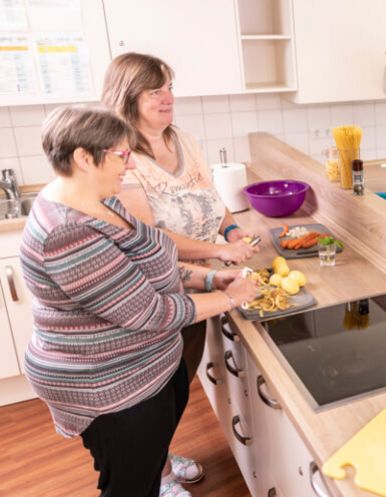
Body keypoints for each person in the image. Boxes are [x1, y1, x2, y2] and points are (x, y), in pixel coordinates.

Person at [21, 106, 257, 497]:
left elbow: (150, 265)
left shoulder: (99, 199)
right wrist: (228, 298)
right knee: (129, 487)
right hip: (109, 385)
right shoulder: (65, 233)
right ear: (83, 157)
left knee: (145, 473)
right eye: (121, 155)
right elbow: (149, 311)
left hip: (144, 370)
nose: (129, 166)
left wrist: (211, 276)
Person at [102, 52, 258, 487]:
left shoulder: (184, 140)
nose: (168, 98)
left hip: (201, 286)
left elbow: (211, 199)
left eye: (170, 87)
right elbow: (149, 238)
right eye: (156, 91)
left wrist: (231, 231)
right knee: (152, 394)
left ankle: (160, 459)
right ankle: (158, 475)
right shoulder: (124, 157)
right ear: (128, 97)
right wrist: (217, 252)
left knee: (175, 386)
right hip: (158, 293)